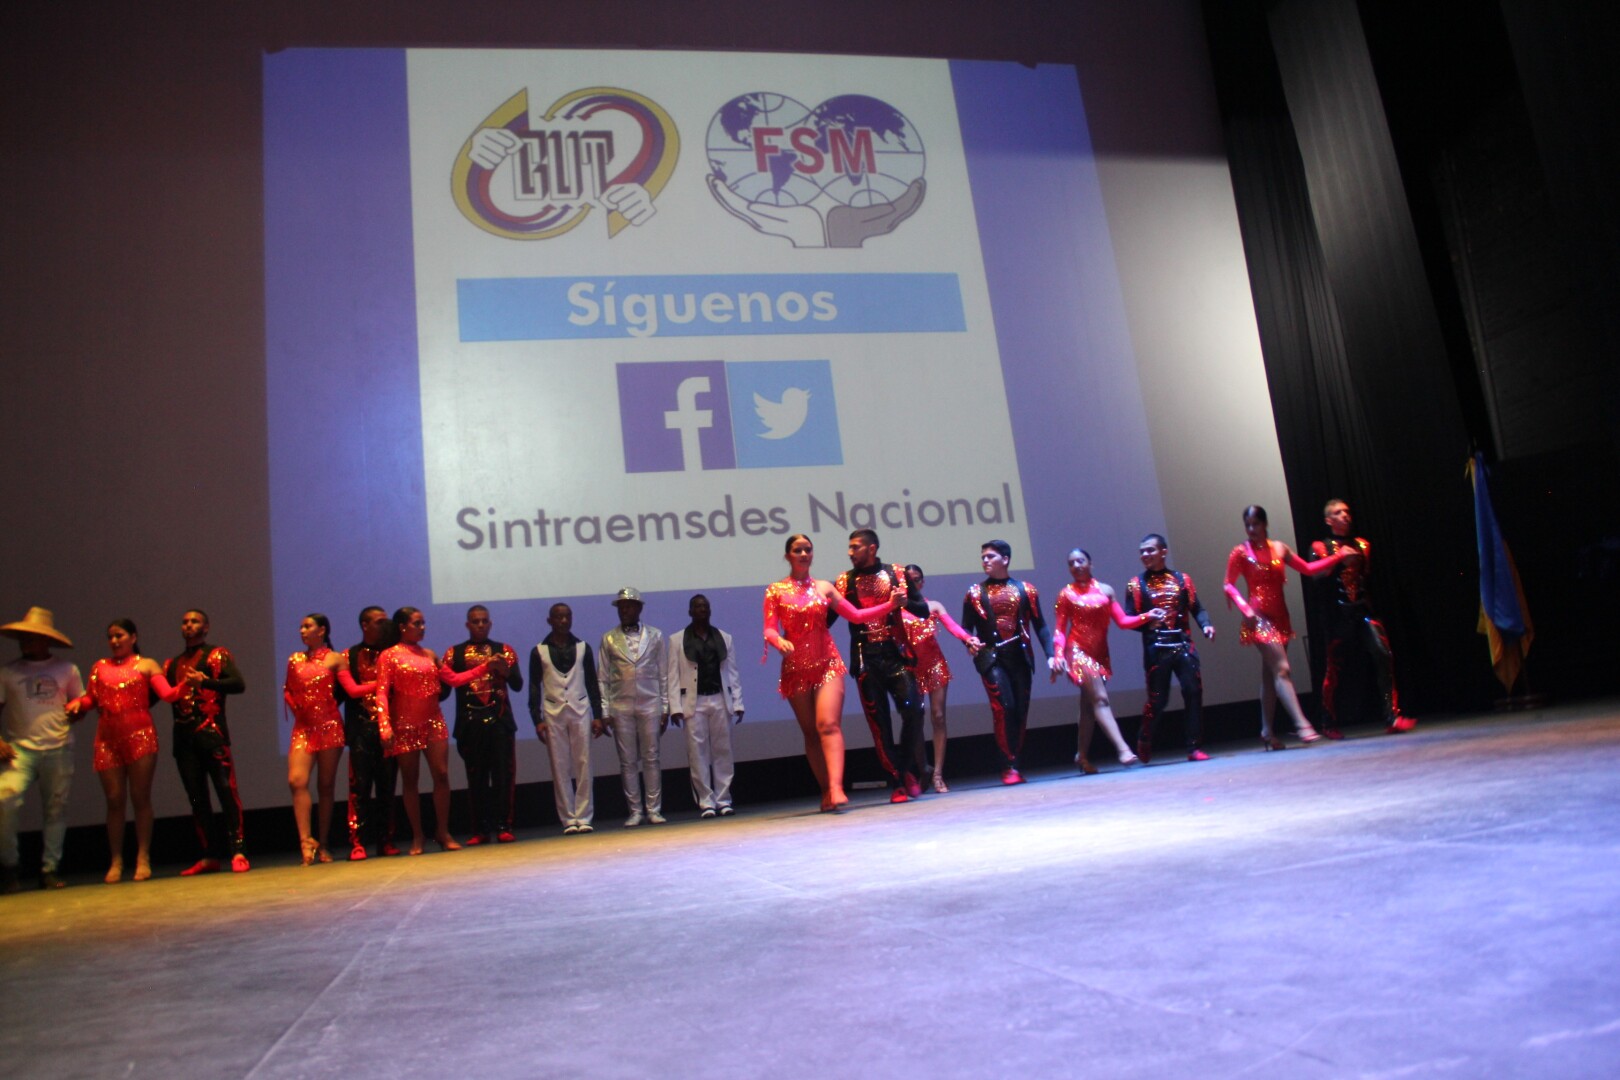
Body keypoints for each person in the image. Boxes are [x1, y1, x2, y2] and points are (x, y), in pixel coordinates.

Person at [762, 534, 901, 812]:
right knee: (811, 733)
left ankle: (837, 787)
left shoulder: (824, 587)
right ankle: (826, 789)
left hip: (827, 663)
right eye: (798, 550)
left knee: (828, 725)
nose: (804, 554)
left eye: (808, 549)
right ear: (788, 556)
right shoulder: (775, 591)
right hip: (796, 668)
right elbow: (769, 628)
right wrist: (778, 641)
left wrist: (890, 605)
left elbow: (857, 616)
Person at [64, 619, 181, 883]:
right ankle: (116, 860)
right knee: (114, 800)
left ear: (133, 637)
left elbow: (168, 695)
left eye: (119, 635)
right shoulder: (100, 667)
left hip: (140, 737)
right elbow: (91, 698)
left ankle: (143, 857)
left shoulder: (146, 664)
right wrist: (78, 703)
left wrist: (188, 684)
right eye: (111, 637)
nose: (114, 641)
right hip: (108, 740)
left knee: (140, 797)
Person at [1223, 505, 1347, 750]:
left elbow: (1308, 568)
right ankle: (1302, 725)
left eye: (1255, 524)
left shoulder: (1280, 548)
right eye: (1247, 525)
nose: (1251, 529)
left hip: (1280, 618)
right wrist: (1244, 607)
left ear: (1265, 524)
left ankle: (1267, 731)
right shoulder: (1240, 552)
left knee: (1270, 674)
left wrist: (1338, 556)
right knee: (1282, 668)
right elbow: (1228, 584)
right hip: (1258, 618)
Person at [375, 606, 495, 854]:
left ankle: (442, 831)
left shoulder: (429, 654)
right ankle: (417, 836)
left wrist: (485, 667)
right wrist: (384, 725)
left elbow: (454, 680)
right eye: (417, 623)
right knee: (410, 780)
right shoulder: (388, 656)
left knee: (441, 774)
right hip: (405, 724)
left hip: (433, 721)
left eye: (423, 623)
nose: (423, 628)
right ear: (402, 627)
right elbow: (382, 692)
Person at [834, 529, 928, 803]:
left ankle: (904, 768)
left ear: (872, 548)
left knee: (914, 709)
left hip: (896, 653)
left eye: (855, 547)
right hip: (866, 657)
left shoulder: (896, 573)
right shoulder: (844, 581)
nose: (850, 552)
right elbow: (829, 618)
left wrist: (905, 602)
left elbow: (922, 610)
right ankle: (898, 780)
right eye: (849, 547)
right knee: (879, 724)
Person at [1051, 549, 1164, 772]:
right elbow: (1059, 630)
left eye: (1080, 561)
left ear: (1090, 563)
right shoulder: (1066, 594)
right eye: (1071, 563)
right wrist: (1058, 655)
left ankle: (1082, 756)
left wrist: (1147, 616)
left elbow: (1122, 621)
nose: (1076, 566)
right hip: (1077, 652)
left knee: (1088, 706)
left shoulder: (1106, 590)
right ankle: (1123, 749)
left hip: (1100, 654)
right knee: (1100, 699)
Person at [1311, 499, 1415, 736]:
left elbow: (1365, 577)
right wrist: (1338, 559)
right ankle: (1327, 722)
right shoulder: (1320, 547)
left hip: (1363, 611)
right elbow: (1316, 575)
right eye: (1338, 512)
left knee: (1383, 653)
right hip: (1338, 616)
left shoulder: (1362, 544)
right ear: (1328, 520)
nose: (1345, 515)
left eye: (1347, 511)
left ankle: (1392, 716)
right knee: (1334, 668)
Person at [0, 608, 84, 892]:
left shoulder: (66, 670)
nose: (26, 642)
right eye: (23, 637)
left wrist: (78, 709)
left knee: (56, 809)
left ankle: (49, 869)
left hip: (58, 747)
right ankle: (9, 866)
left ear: (46, 640)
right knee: (4, 800)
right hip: (19, 749)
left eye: (32, 637)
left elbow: (80, 703)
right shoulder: (8, 672)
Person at [961, 539, 1054, 785]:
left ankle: (1015, 762)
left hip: (1020, 657)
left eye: (990, 556)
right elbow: (965, 628)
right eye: (983, 556)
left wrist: (1051, 655)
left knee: (1020, 711)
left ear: (1005, 559)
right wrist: (969, 641)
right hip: (992, 658)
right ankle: (1008, 765)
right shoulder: (974, 593)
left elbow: (1041, 626)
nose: (985, 560)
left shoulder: (1026, 590)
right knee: (1004, 707)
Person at [164, 609, 249, 875]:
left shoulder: (216, 655)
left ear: (206, 627)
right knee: (197, 798)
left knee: (226, 791)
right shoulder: (172, 664)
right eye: (185, 622)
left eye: (194, 621)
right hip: (184, 739)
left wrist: (206, 682)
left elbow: (238, 684)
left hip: (212, 735)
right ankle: (209, 854)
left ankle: (238, 850)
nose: (188, 625)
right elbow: (161, 695)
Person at [1124, 534, 1216, 763]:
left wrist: (1206, 625)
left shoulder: (1182, 580)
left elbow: (1197, 608)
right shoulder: (1136, 584)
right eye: (1142, 551)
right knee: (1158, 700)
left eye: (1150, 550)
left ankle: (1194, 746)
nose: (1145, 555)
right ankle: (1145, 736)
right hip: (1156, 649)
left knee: (1193, 691)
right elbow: (1128, 618)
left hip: (1183, 644)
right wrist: (1146, 620)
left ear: (1163, 552)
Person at [442, 605, 523, 844]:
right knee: (475, 778)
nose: (480, 625)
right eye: (475, 621)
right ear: (467, 625)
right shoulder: (453, 653)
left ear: (490, 623)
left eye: (484, 621)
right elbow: (444, 691)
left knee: (503, 776)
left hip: (499, 720)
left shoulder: (504, 650)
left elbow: (518, 685)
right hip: (470, 723)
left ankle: (503, 825)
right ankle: (480, 829)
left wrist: (505, 670)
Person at [901, 565, 980, 793]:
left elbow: (953, 626)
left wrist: (968, 639)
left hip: (935, 664)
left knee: (938, 716)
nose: (913, 584)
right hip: (910, 668)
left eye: (917, 579)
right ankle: (923, 768)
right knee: (915, 720)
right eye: (908, 580)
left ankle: (938, 774)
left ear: (922, 582)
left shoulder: (933, 606)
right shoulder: (896, 609)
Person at [528, 603, 604, 835]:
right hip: (553, 712)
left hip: (580, 708)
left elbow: (592, 683)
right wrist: (536, 718)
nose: (563, 621)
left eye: (567, 616)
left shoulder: (582, 647)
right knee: (560, 765)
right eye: (558, 617)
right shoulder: (539, 651)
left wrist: (598, 715)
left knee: (583, 762)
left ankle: (584, 815)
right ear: (549, 620)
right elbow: (534, 687)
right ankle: (568, 818)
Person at [599, 588, 671, 827]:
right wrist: (605, 710)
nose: (624, 610)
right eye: (621, 606)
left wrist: (665, 706)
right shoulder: (608, 638)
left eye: (629, 606)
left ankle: (654, 809)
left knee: (651, 757)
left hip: (650, 702)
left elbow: (663, 673)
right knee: (627, 760)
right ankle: (635, 811)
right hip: (621, 704)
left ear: (639, 608)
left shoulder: (656, 635)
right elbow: (603, 677)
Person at [668, 594, 744, 818]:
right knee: (697, 753)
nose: (702, 609)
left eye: (705, 606)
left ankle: (723, 799)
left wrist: (738, 702)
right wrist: (675, 707)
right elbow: (672, 676)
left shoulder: (724, 638)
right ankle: (706, 801)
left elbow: (732, 673)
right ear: (690, 611)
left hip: (719, 698)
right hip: (694, 702)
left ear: (710, 611)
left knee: (723, 750)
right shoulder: (676, 640)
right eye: (697, 606)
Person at [281, 613, 347, 865]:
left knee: (326, 786)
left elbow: (348, 690)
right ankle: (305, 841)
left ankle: (324, 842)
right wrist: (296, 708)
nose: (302, 631)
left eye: (307, 626)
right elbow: (288, 690)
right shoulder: (295, 659)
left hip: (329, 726)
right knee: (296, 780)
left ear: (322, 630)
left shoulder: (335, 658)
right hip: (304, 728)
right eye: (301, 627)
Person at [339, 606, 398, 859]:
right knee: (360, 787)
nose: (385, 626)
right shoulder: (349, 655)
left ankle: (386, 841)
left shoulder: (393, 654)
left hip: (388, 729)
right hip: (361, 729)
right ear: (365, 625)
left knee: (387, 786)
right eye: (379, 622)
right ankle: (358, 842)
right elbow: (346, 693)